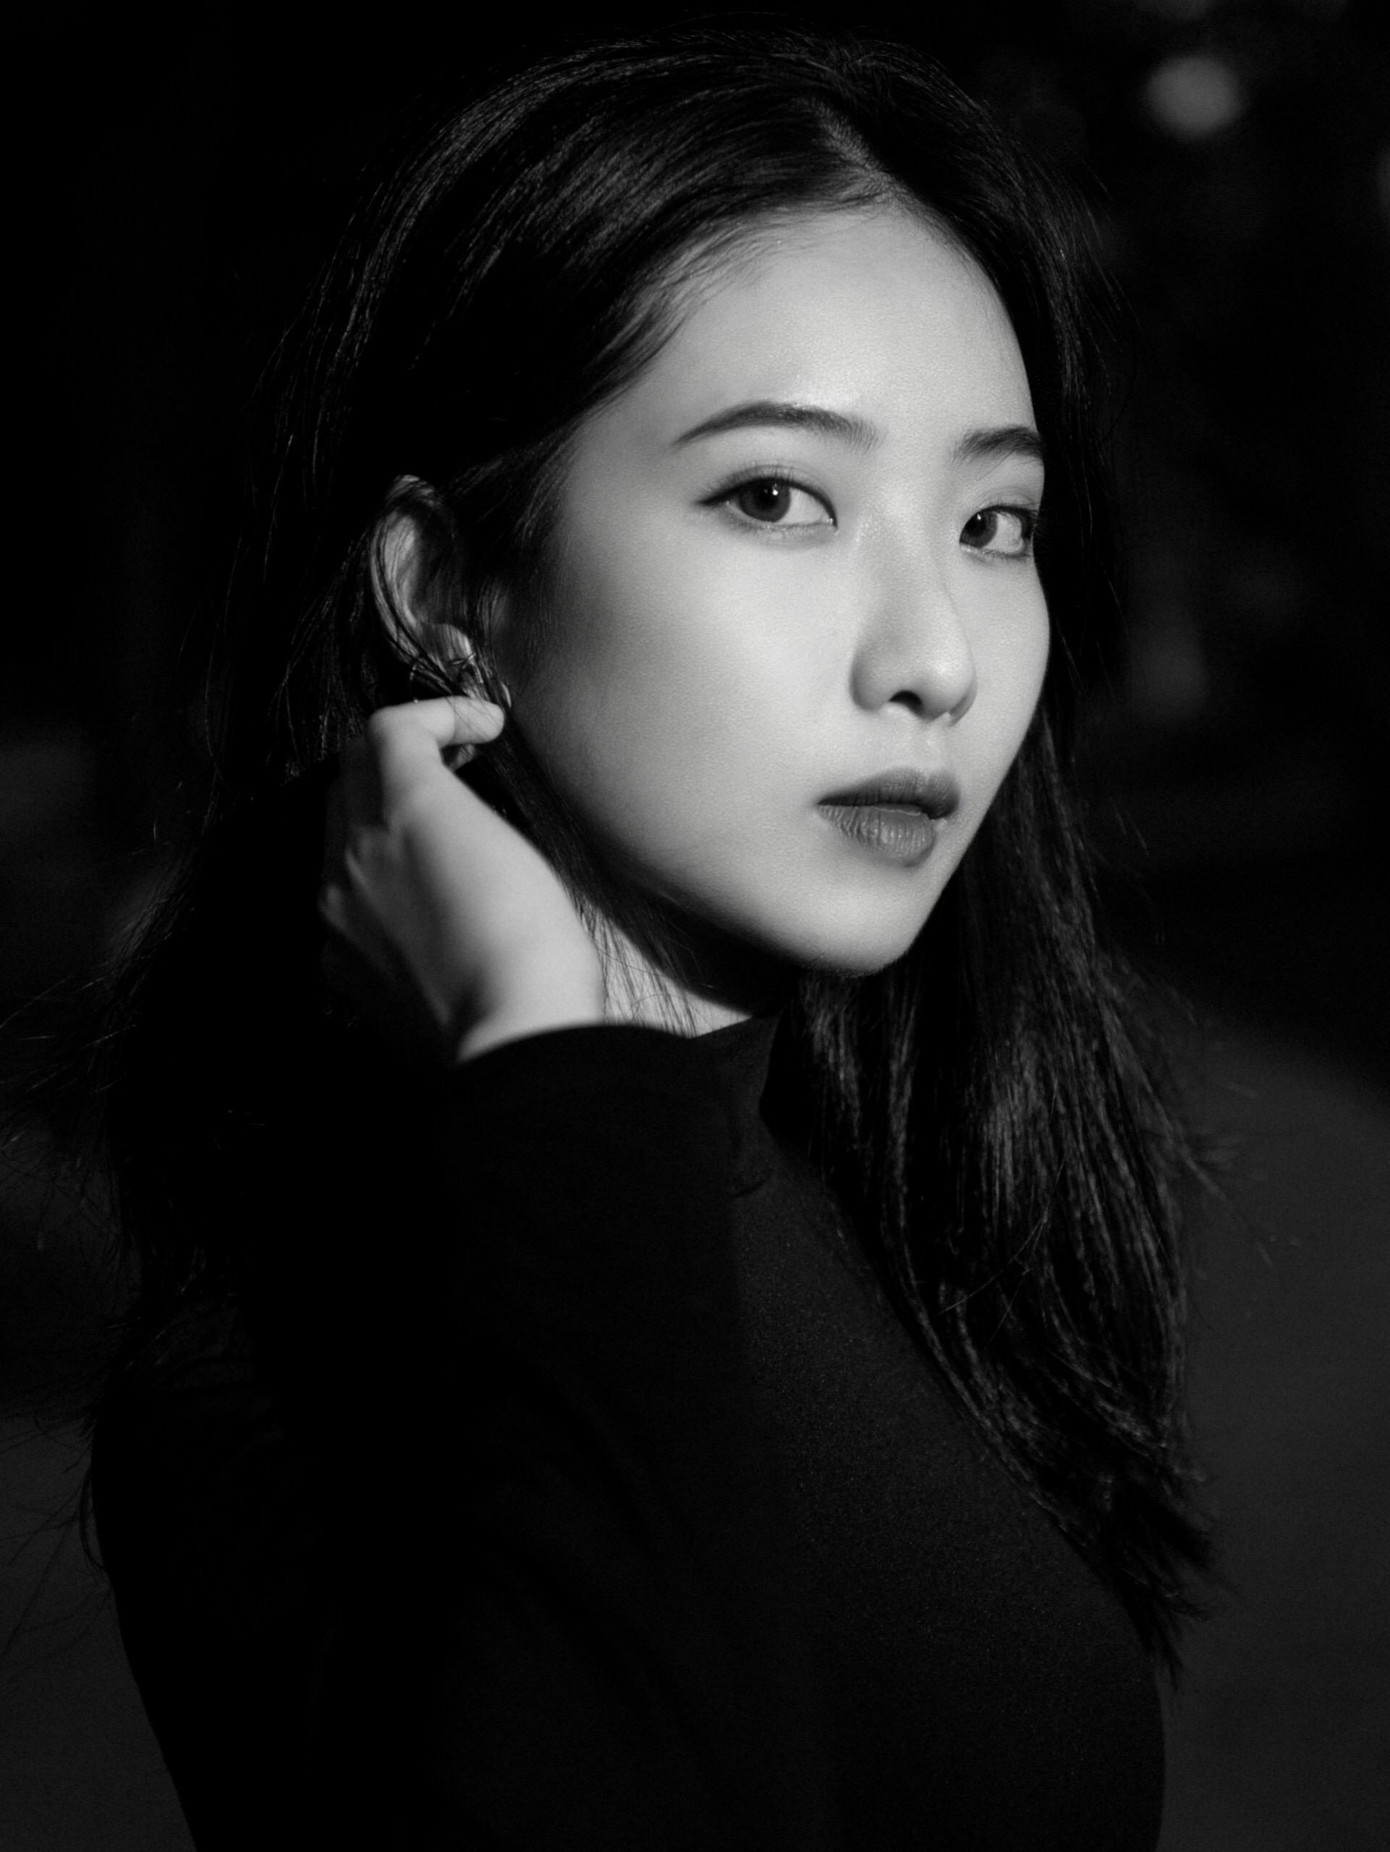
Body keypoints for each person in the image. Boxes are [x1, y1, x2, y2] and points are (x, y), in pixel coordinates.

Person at [86, 21, 1210, 1849]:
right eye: (776, 496)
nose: (933, 655)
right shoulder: (298, 1387)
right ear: (447, 586)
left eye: (994, 521)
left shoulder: (915, 1188)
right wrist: (551, 1081)